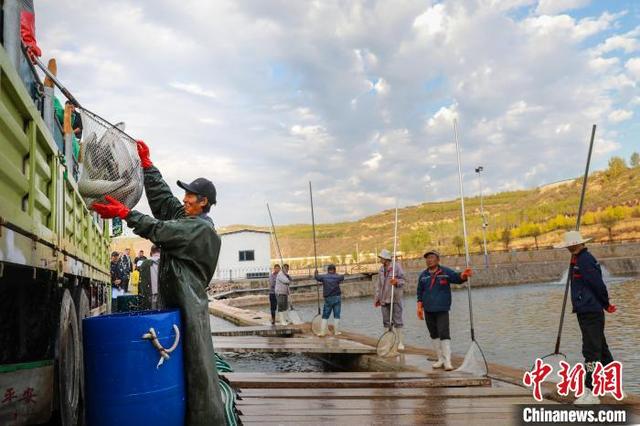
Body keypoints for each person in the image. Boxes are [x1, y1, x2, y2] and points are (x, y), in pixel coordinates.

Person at [92, 140, 226, 424]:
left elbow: (162, 230)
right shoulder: (189, 218)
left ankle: (206, 420)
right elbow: (164, 202)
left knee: (196, 368)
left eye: (191, 195)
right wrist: (148, 166)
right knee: (180, 366)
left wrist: (126, 214)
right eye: (186, 193)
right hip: (177, 307)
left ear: (204, 202)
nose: (185, 198)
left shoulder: (201, 230)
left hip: (190, 310)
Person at [555, 231, 617, 405]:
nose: (567, 247)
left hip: (591, 311)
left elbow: (597, 284)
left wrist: (605, 304)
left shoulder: (585, 260)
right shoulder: (577, 260)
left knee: (591, 352)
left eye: (569, 245)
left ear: (575, 244)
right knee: (601, 350)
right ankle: (613, 384)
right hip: (585, 310)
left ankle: (591, 391)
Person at [416, 250, 472, 371]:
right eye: (427, 258)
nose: (429, 260)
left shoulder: (445, 272)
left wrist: (464, 275)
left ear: (438, 259)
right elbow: (420, 292)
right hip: (428, 310)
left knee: (444, 333)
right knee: (434, 334)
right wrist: (419, 307)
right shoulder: (423, 275)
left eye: (431, 257)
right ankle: (440, 359)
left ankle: (447, 361)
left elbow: (457, 278)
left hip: (442, 309)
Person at [374, 249, 406, 350]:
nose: (380, 259)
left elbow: (403, 280)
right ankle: (388, 343)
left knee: (397, 320)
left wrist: (396, 281)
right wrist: (377, 298)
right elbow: (379, 285)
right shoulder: (381, 269)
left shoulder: (396, 266)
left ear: (386, 258)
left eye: (381, 258)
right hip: (384, 299)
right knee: (386, 321)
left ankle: (400, 343)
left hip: (395, 298)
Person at [314, 264, 345, 337]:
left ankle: (322, 332)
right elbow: (342, 277)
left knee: (325, 315)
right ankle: (336, 332)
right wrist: (336, 274)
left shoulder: (323, 277)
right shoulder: (337, 277)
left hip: (328, 298)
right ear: (334, 270)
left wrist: (315, 273)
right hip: (337, 297)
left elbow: (316, 277)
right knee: (336, 315)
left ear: (328, 270)